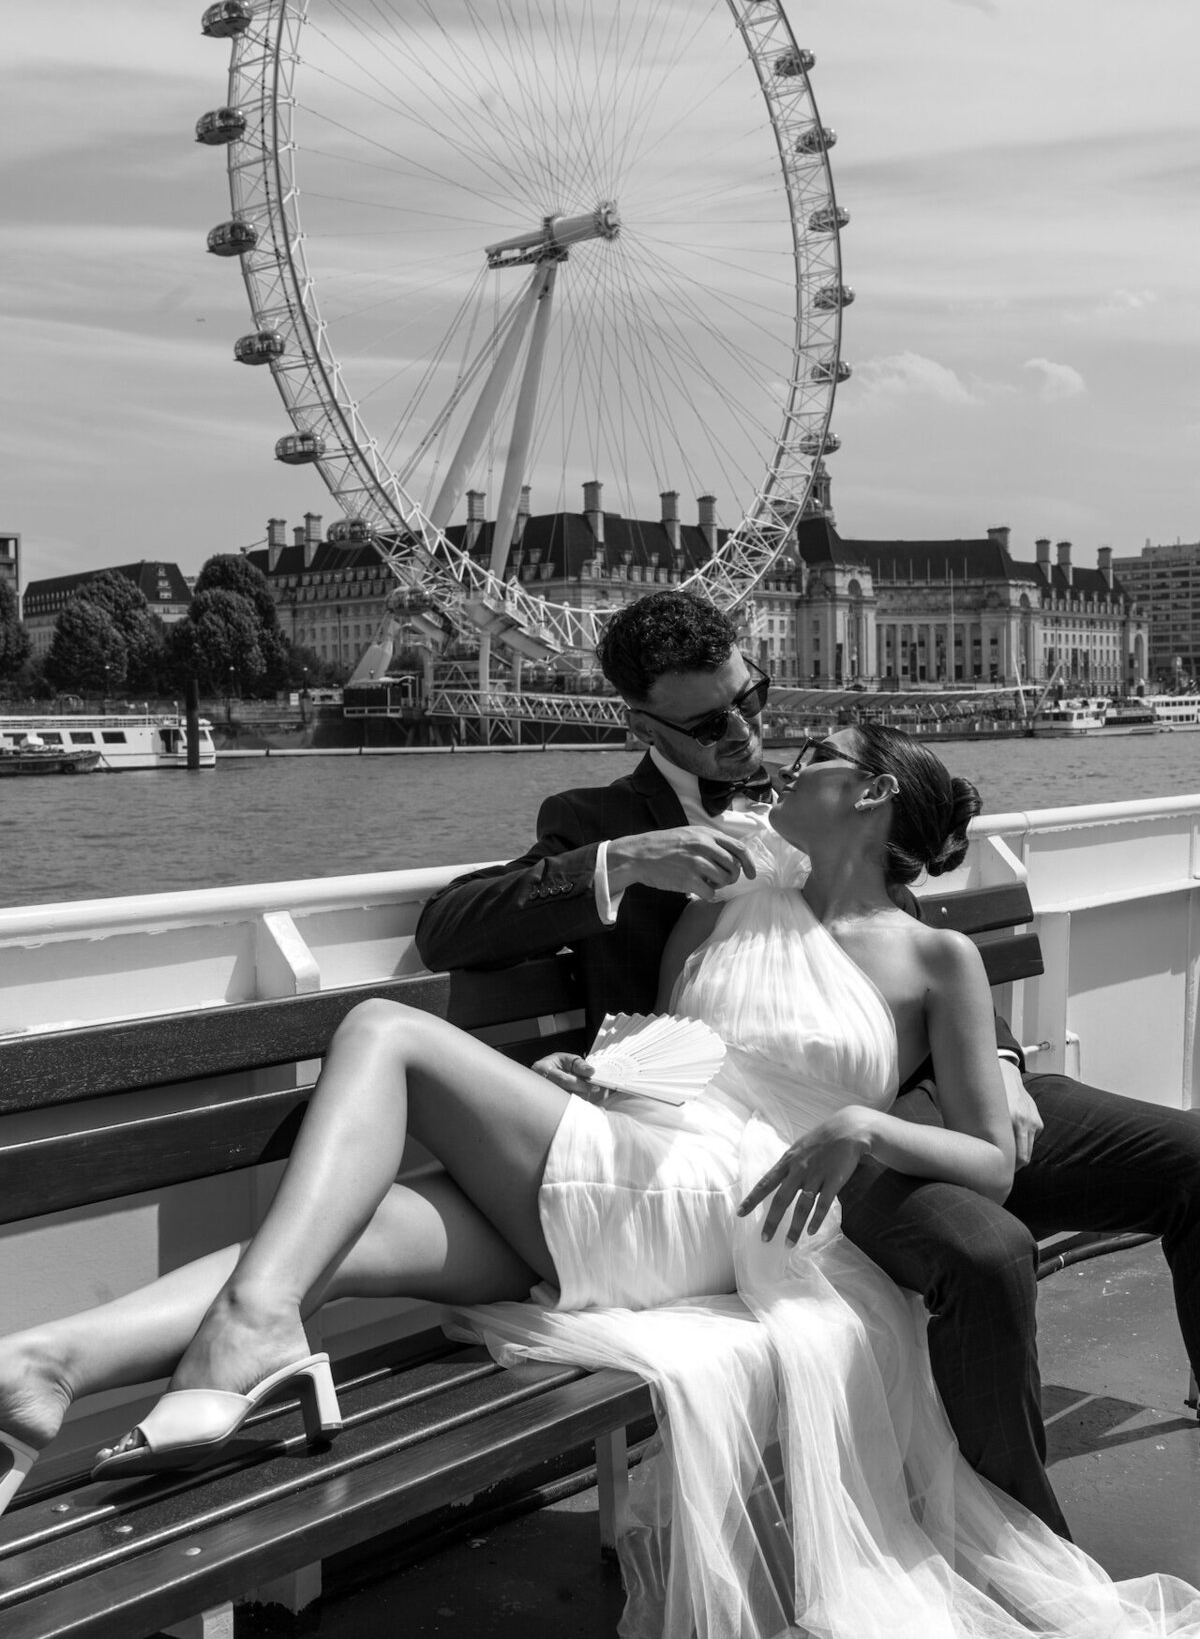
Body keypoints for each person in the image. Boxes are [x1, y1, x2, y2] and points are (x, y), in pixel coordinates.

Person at [3, 720, 1198, 1638]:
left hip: (734, 1206)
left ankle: (251, 1339)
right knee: (343, 1240)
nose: (783, 763)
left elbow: (993, 1158)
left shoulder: (933, 955)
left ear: (873, 794)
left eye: (819, 757)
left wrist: (862, 1126)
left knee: (382, 1031)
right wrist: (596, 1072)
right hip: (645, 1164)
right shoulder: (718, 908)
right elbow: (671, 1054)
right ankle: (49, 1365)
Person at [416, 590, 1200, 1539]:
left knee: (1191, 1160)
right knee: (981, 1254)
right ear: (642, 722)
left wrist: (995, 1058)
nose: (750, 731)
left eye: (756, 697)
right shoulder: (599, 820)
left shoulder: (809, 801)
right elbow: (451, 930)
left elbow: (894, 940)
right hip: (768, 1134)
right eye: (712, 724)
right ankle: (1013, 1531)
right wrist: (623, 864)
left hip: (910, 1081)